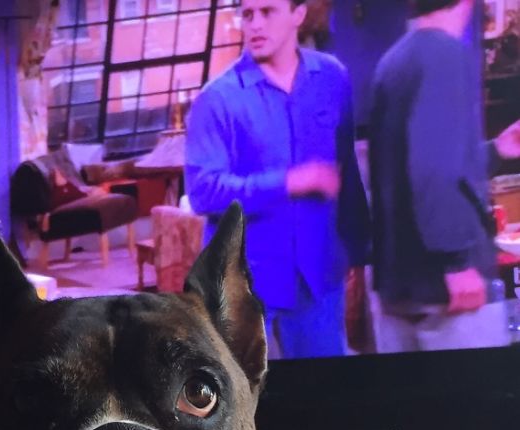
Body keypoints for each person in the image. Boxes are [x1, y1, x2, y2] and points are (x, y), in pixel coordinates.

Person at [184, 0, 370, 360]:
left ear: (298, 15)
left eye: (267, 12)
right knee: (255, 395)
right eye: (248, 14)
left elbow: (346, 173)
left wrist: (359, 254)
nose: (255, 24)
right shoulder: (218, 99)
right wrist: (289, 182)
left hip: (320, 276)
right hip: (246, 287)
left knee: (326, 391)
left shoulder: (332, 79)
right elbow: (203, 192)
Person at [369, 0, 520, 353]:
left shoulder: (395, 58)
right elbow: (432, 167)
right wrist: (455, 263)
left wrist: (497, 150)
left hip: (403, 287)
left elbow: (422, 162)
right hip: (447, 293)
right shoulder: (443, 54)